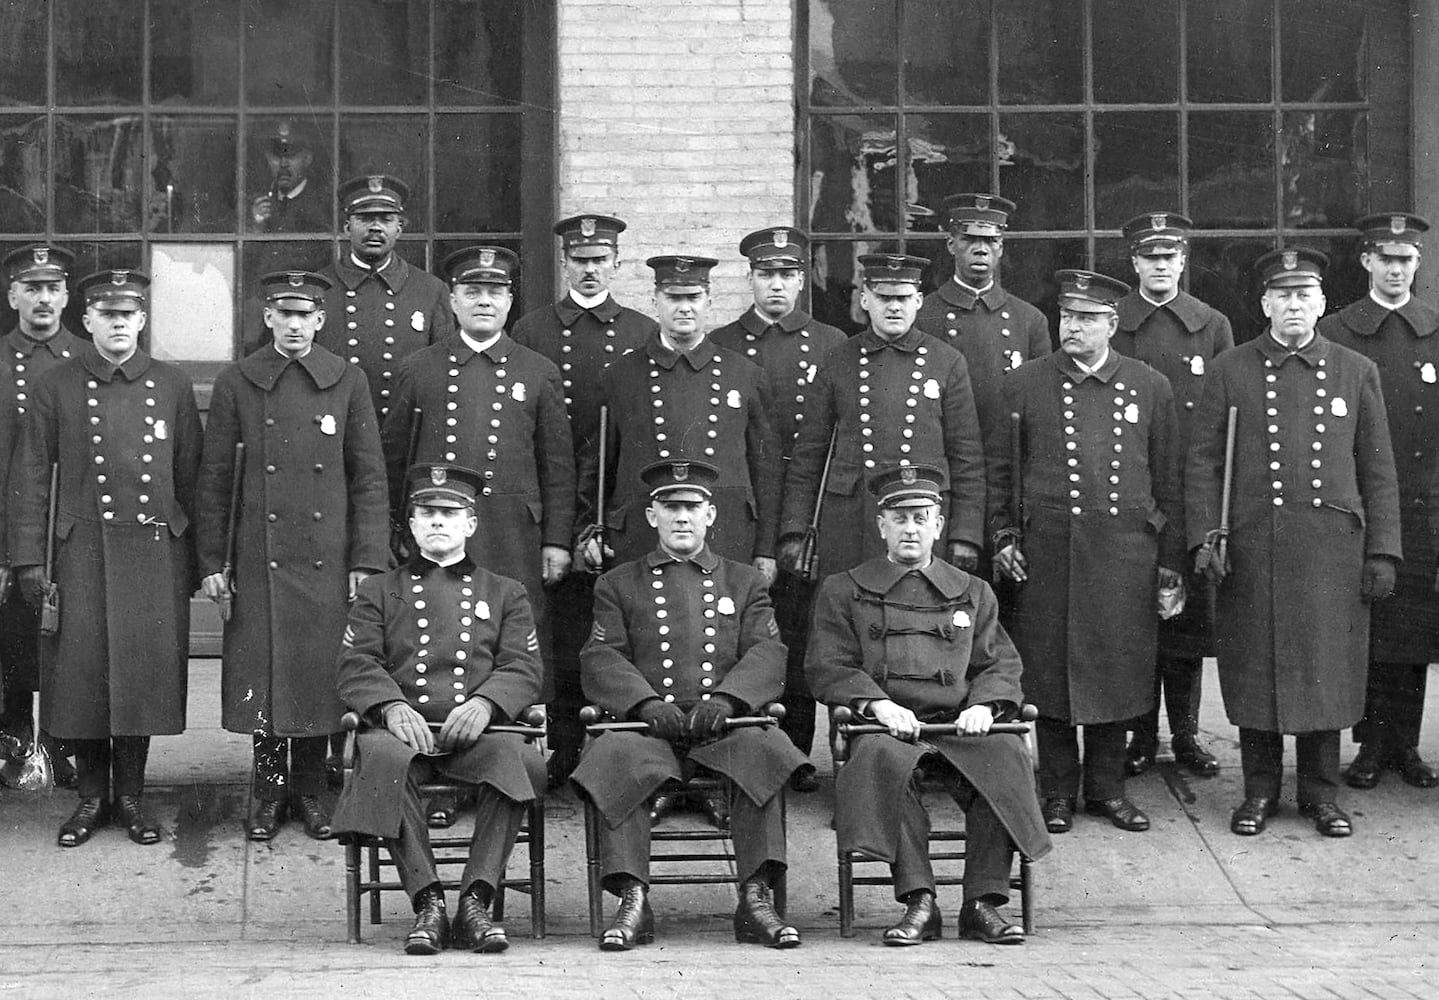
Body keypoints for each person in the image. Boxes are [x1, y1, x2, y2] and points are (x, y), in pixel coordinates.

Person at [1187, 247, 1401, 838]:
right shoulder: (1230, 369)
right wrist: (1206, 536)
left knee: (1324, 672)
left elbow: (1378, 469)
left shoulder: (1355, 370)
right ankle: (1258, 792)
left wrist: (1383, 550)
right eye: (1282, 295)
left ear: (1322, 302)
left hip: (1332, 554)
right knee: (1256, 672)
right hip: (1253, 550)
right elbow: (1203, 464)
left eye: (1304, 295)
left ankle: (1320, 795)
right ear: (1264, 304)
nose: (1293, 306)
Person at [806, 463, 1051, 946]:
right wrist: (876, 705)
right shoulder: (843, 588)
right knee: (883, 763)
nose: (910, 529)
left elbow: (999, 664)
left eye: (921, 518)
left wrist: (985, 706)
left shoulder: (973, 591)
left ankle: (983, 903)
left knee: (1005, 757)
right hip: (886, 726)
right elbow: (827, 664)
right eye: (899, 519)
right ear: (881, 525)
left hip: (957, 725)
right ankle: (920, 902)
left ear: (938, 525)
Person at [571, 459, 806, 952]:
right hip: (650, 728)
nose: (682, 517)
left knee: (763, 751)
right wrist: (643, 703)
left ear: (710, 515)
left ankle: (756, 897)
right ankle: (633, 898)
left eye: (692, 507)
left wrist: (728, 698)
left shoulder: (744, 582)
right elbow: (600, 655)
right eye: (670, 507)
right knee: (615, 755)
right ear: (651, 516)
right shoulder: (618, 583)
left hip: (723, 724)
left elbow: (768, 652)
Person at [9, 269, 203, 848]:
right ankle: (92, 797)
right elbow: (30, 475)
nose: (118, 324)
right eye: (107, 315)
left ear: (142, 320)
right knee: (84, 675)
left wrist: (195, 558)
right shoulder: (56, 385)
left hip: (152, 552)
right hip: (81, 552)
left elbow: (191, 477)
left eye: (128, 315)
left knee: (140, 676)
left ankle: (132, 797)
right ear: (87, 320)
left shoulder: (172, 384)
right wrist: (28, 559)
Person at [197, 270, 389, 842]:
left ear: (320, 320)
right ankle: (268, 790)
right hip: (259, 555)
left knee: (316, 674)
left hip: (326, 554)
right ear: (268, 318)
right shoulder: (238, 381)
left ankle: (308, 791)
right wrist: (212, 561)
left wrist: (366, 559)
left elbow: (369, 478)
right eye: (285, 314)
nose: (295, 325)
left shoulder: (347, 380)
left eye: (305, 315)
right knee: (265, 674)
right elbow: (215, 479)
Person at [990, 270, 1183, 835]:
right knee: (1050, 673)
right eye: (1067, 316)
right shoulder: (1024, 384)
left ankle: (1107, 790)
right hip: (1048, 552)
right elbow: (1000, 474)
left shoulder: (1149, 386)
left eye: (1087, 318)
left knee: (1115, 671)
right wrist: (1003, 536)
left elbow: (1169, 480)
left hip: (1124, 556)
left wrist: (1169, 563)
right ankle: (1056, 793)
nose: (1073, 327)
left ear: (1112, 324)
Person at [331, 464, 545, 956]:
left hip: (478, 734)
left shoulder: (504, 591)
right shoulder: (379, 590)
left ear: (471, 523)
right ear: (411, 524)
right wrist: (389, 706)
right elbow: (356, 662)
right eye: (427, 512)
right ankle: (427, 902)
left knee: (518, 760)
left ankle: (476, 900)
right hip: (405, 733)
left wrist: (488, 703)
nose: (438, 521)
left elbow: (524, 666)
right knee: (381, 760)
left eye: (450, 513)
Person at [382, 247, 574, 770]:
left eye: (495, 291)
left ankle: (510, 755)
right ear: (452, 300)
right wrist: (395, 530)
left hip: (513, 534)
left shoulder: (538, 371)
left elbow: (557, 465)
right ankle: (435, 750)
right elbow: (394, 459)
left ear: (510, 301)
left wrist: (557, 540)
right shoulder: (419, 369)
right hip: (437, 531)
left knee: (512, 635)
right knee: (438, 630)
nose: (484, 301)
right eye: (472, 292)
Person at [509, 214, 657, 789]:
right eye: (580, 260)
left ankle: (628, 752)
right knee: (566, 631)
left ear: (616, 264)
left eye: (600, 260)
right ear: (564, 263)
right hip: (554, 496)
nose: (590, 270)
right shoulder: (532, 329)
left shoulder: (643, 330)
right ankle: (566, 747)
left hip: (619, 498)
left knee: (628, 628)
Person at [711, 226, 847, 792]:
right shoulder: (721, 343)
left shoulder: (832, 344)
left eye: (788, 274)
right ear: (750, 278)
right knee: (738, 630)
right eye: (766, 274)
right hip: (745, 505)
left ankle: (795, 753)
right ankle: (739, 745)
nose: (777, 285)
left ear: (802, 279)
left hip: (808, 508)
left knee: (799, 631)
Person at [1318, 214, 1439, 792]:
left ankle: (1405, 745)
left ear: (1418, 263)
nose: (1396, 270)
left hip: (1420, 503)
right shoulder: (1337, 331)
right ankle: (1368, 744)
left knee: (1411, 630)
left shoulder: (1435, 330)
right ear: (1367, 261)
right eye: (1386, 259)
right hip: (1356, 501)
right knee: (1366, 625)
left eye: (1406, 260)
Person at [1111, 213, 1235, 779]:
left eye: (1170, 256)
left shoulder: (1211, 325)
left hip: (1191, 488)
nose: (1160, 266)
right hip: (1134, 488)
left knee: (1185, 622)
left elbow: (1227, 411)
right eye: (1150, 256)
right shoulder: (1116, 321)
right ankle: (1140, 735)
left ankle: (1185, 734)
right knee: (1138, 619)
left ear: (1183, 261)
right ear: (1134, 262)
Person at [779, 253, 985, 578]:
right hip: (851, 519)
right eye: (884, 298)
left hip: (919, 521)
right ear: (865, 299)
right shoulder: (838, 360)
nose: (894, 307)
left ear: (918, 301)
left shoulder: (947, 362)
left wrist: (965, 534)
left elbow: (967, 458)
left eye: (903, 298)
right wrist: (794, 529)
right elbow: (809, 456)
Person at [576, 255, 780, 575]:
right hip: (640, 530)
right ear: (654, 302)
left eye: (693, 297)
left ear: (709, 301)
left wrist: (766, 548)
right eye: (673, 298)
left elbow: (765, 470)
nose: (684, 308)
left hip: (726, 531)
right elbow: (596, 466)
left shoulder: (744, 374)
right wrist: (588, 530)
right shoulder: (620, 376)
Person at [0, 244, 83, 786]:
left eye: (53, 288)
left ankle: (58, 749)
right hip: (6, 532)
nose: (43, 299)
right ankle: (13, 748)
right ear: (13, 297)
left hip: (66, 531)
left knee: (63, 647)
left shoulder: (87, 358)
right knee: (11, 648)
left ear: (67, 297)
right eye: (32, 288)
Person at [914, 194, 1050, 470]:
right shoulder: (923, 315)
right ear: (951, 245)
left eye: (990, 241)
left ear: (1000, 248)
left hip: (1007, 461)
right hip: (944, 459)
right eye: (969, 240)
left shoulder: (1029, 320)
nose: (981, 250)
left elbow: (1041, 407)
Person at [315, 174, 453, 426]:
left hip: (403, 429)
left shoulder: (431, 291)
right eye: (364, 218)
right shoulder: (319, 289)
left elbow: (443, 375)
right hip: (337, 427)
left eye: (386, 219)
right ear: (347, 227)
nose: (375, 227)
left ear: (399, 228)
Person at [247, 120, 329, 234]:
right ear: (268, 158)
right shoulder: (258, 202)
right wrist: (257, 227)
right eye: (277, 155)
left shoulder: (324, 203)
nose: (284, 163)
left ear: (307, 159)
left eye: (291, 155)